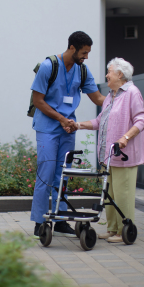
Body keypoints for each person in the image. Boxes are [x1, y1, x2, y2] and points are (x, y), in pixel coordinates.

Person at [30, 31, 105, 238]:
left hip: (67, 128)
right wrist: (61, 119)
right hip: (48, 127)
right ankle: (39, 220)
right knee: (45, 174)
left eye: (88, 53)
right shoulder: (48, 67)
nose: (86, 57)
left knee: (63, 174)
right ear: (72, 48)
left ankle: (61, 218)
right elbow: (38, 101)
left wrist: (121, 101)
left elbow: (98, 98)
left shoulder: (82, 70)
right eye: (84, 52)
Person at [75, 57, 144, 243]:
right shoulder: (110, 96)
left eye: (109, 72)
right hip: (107, 156)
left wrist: (125, 137)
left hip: (124, 155)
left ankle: (125, 231)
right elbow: (99, 122)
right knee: (110, 194)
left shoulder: (132, 92)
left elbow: (141, 120)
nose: (106, 75)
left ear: (120, 74)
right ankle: (112, 228)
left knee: (123, 194)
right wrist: (78, 125)